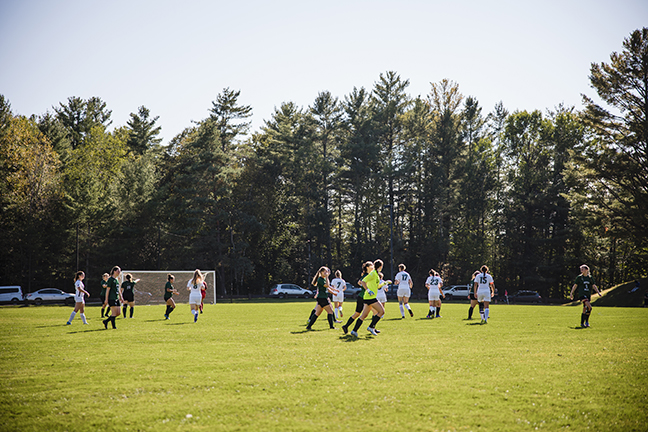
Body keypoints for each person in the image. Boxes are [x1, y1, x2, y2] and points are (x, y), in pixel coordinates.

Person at [349, 259, 387, 336]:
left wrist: (384, 284)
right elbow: (363, 281)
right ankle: (371, 327)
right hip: (370, 297)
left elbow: (376, 287)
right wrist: (368, 290)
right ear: (380, 266)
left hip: (368, 297)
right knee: (381, 311)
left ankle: (354, 331)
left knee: (363, 316)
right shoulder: (373, 273)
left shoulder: (376, 274)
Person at [341, 267, 368, 335]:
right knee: (373, 312)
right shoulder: (367, 275)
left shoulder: (365, 275)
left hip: (362, 296)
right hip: (364, 297)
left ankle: (346, 326)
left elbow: (359, 282)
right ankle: (371, 327)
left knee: (357, 314)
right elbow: (361, 282)